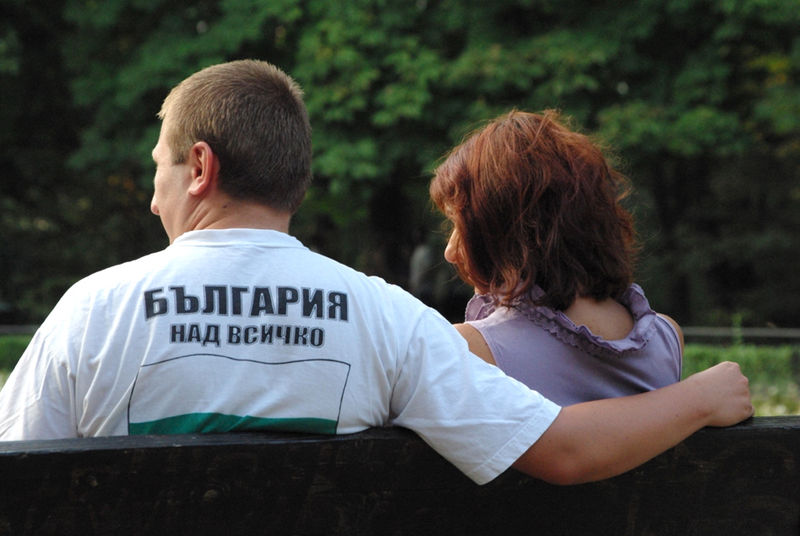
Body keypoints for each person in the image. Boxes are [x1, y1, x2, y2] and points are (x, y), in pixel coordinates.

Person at [0, 60, 751, 487]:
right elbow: (561, 446)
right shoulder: (387, 317)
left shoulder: (91, 311)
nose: (153, 193)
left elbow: (19, 482)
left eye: (158, 167)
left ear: (199, 167)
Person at [430, 109, 683, 405]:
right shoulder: (668, 338)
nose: (450, 251)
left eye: (461, 227)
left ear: (508, 232)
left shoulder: (472, 349)